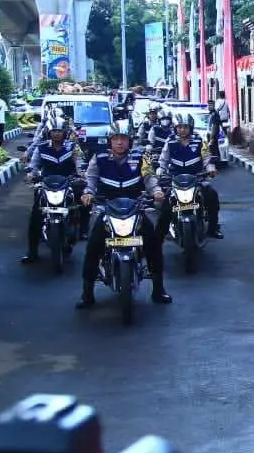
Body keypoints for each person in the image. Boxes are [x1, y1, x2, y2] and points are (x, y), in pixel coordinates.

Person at [77, 126, 171, 308]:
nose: (120, 142)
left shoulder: (140, 158)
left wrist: (157, 191)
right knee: (93, 246)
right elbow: (91, 179)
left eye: (124, 138)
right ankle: (87, 293)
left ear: (130, 141)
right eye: (115, 138)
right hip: (107, 209)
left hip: (135, 208)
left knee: (153, 244)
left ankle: (158, 289)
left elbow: (149, 178)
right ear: (109, 141)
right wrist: (88, 193)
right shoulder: (99, 158)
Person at [21, 113, 84, 264]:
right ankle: (32, 251)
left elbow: (80, 163)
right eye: (54, 131)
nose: (56, 133)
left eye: (59, 130)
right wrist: (31, 173)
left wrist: (82, 173)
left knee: (82, 205)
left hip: (68, 183)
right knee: (35, 216)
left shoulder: (73, 147)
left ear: (65, 132)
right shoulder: (41, 148)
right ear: (48, 132)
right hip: (46, 185)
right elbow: (34, 165)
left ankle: (80, 230)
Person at [154, 113, 223, 240]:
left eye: (185, 127)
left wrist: (210, 168)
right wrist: (160, 170)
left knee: (212, 194)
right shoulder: (170, 141)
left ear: (190, 128)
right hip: (175, 179)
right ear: (175, 128)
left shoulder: (199, 140)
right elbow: (163, 160)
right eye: (179, 127)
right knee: (165, 203)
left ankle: (213, 228)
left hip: (196, 178)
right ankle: (160, 234)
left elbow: (206, 157)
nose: (182, 130)